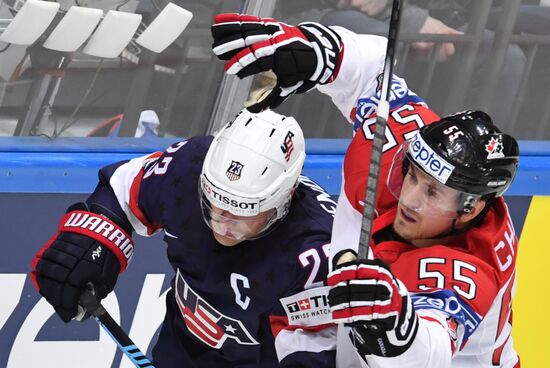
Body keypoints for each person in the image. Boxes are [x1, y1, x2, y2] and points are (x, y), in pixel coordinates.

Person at [211, 13, 520, 367]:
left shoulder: (469, 265)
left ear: (472, 209)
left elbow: (430, 352)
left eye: (433, 193)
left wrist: (397, 329)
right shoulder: (395, 147)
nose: (410, 197)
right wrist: (316, 52)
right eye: (413, 175)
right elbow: (371, 72)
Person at [30, 108, 339, 367]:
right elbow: (120, 193)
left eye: (242, 214)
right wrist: (88, 241)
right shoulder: (187, 167)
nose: (222, 224)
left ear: (283, 201)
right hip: (180, 353)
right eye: (214, 204)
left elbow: (313, 355)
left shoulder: (317, 253)